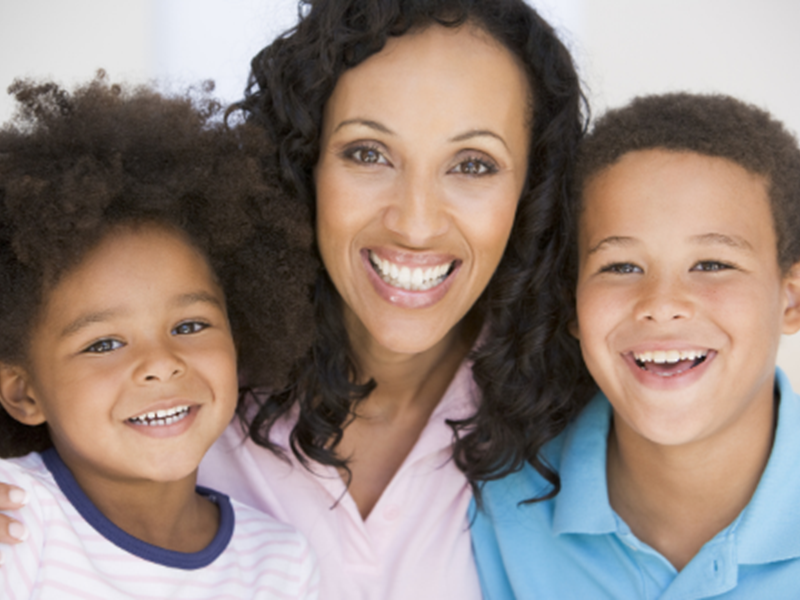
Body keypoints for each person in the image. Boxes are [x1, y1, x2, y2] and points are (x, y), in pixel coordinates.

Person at [0, 1, 586, 597]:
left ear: (531, 189)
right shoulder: (188, 379)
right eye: (367, 153)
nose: (415, 223)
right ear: (305, 160)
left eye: (472, 164)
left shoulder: (580, 411)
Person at [470, 92, 800, 598]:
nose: (662, 304)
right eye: (620, 267)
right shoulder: (497, 507)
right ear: (573, 303)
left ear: (790, 300)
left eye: (712, 264)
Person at [0, 76, 319, 598]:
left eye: (190, 326)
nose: (161, 363)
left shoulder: (279, 563)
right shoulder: (15, 518)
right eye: (103, 343)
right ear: (23, 392)